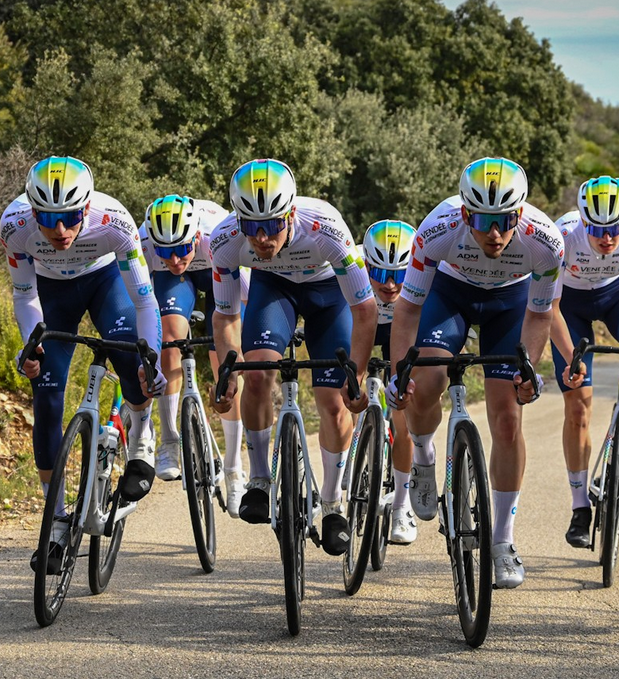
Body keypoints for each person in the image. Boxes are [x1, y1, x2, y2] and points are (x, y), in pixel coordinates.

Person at [387, 157, 559, 589]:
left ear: (520, 213)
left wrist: (528, 370)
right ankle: (423, 457)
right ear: (465, 214)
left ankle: (502, 541)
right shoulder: (437, 230)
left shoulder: (546, 243)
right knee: (425, 382)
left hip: (510, 303)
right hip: (451, 295)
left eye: (505, 221)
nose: (495, 233)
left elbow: (540, 315)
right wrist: (399, 373)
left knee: (508, 417)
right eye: (483, 221)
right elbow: (407, 309)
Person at [0, 156, 165, 574]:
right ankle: (56, 522)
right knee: (47, 399)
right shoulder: (15, 226)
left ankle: (142, 435)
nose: (60, 230)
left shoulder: (114, 222)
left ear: (86, 208)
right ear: (33, 211)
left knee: (130, 353)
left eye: (71, 217)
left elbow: (145, 301)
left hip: (105, 283)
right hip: (51, 293)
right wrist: (31, 346)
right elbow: (24, 296)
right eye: (47, 219)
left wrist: (152, 358)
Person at [210, 158, 377, 557]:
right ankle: (260, 479)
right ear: (238, 221)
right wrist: (227, 372)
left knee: (334, 401)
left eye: (272, 225)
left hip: (328, 295)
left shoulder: (326, 228)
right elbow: (226, 316)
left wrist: (356, 374)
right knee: (257, 372)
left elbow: (365, 310)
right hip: (273, 288)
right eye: (252, 226)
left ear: (291, 214)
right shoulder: (224, 239)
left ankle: (333, 503)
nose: (262, 238)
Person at [549, 176, 619, 548]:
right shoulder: (563, 236)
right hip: (570, 307)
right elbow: (549, 308)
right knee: (578, 405)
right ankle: (580, 507)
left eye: (615, 229)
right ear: (582, 220)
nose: (607, 238)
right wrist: (571, 359)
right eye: (596, 229)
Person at [139, 194, 249, 516]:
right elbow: (138, 302)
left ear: (196, 236)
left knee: (225, 361)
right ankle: (170, 441)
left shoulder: (219, 236)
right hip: (174, 283)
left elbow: (248, 299)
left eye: (181, 249)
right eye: (165, 252)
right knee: (169, 337)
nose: (174, 259)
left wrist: (238, 348)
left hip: (216, 270)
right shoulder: (144, 243)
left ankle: (234, 469)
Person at [360, 220, 419, 545]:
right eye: (381, 273)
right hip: (365, 323)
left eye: (399, 274)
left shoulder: (427, 269)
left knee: (403, 415)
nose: (390, 284)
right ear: (367, 264)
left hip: (403, 328)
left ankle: (401, 506)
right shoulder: (352, 267)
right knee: (344, 393)